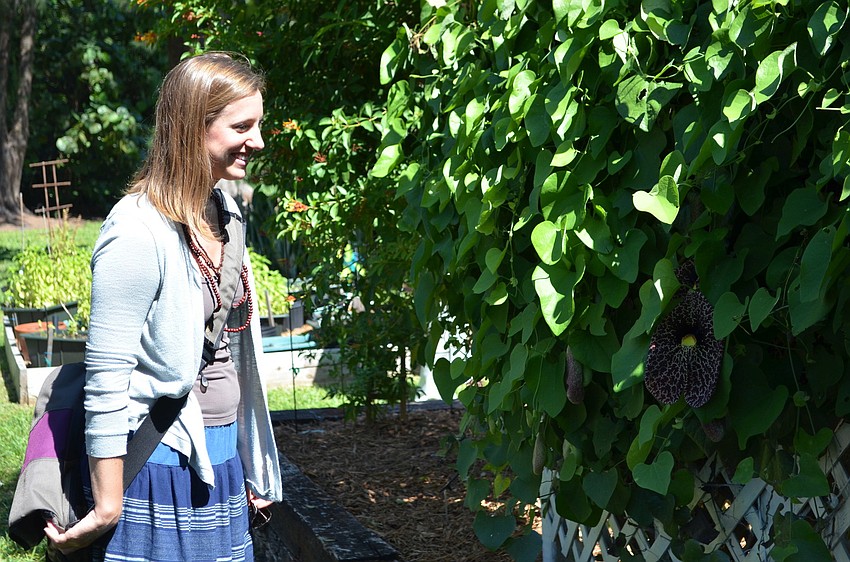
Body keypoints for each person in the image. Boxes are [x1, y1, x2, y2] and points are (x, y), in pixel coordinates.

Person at [43, 52, 283, 561]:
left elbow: (231, 354)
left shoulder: (227, 214)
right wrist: (108, 504)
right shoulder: (136, 229)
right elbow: (108, 372)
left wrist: (248, 462)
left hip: (218, 462)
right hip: (157, 464)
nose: (258, 141)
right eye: (243, 126)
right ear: (194, 127)